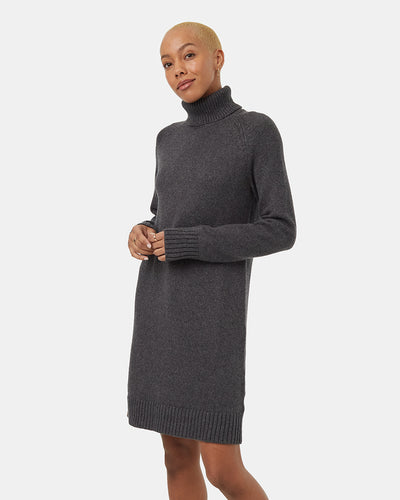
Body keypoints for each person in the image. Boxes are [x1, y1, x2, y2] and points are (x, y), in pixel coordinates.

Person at [127, 21, 296, 500]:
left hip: (212, 325)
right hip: (160, 312)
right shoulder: (167, 138)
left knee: (222, 469)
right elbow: (166, 216)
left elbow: (281, 228)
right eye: (167, 64)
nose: (178, 70)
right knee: (176, 457)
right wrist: (142, 231)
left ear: (217, 58)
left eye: (188, 56)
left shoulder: (256, 131)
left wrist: (190, 243)